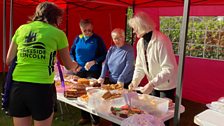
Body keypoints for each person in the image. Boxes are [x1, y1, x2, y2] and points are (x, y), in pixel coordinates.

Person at [6, 2, 78, 126]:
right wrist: (75, 65)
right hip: (41, 88)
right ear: (54, 17)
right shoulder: (58, 34)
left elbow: (8, 60)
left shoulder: (22, 29)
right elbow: (68, 65)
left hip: (18, 86)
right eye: (60, 18)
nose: (60, 21)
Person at [128, 12, 178, 125]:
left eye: (135, 28)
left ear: (142, 26)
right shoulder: (140, 43)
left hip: (167, 85)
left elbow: (169, 69)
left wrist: (151, 84)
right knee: (153, 113)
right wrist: (134, 82)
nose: (133, 31)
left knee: (164, 115)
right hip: (153, 83)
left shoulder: (162, 40)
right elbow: (139, 66)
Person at [70, 19, 107, 126]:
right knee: (81, 93)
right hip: (79, 70)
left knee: (92, 94)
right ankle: (84, 117)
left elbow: (104, 54)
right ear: (81, 29)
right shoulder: (78, 38)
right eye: (85, 30)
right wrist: (73, 60)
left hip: (93, 71)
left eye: (90, 30)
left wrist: (94, 61)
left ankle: (95, 120)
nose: (88, 33)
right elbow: (71, 51)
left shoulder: (97, 39)